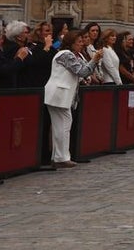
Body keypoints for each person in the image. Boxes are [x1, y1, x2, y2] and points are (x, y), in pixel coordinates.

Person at [43, 29, 103, 168]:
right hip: (59, 94)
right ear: (71, 43)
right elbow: (82, 72)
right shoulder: (65, 55)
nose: (82, 44)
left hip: (60, 94)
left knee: (60, 126)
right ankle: (62, 157)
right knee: (64, 125)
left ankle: (58, 156)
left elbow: (85, 70)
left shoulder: (72, 55)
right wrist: (94, 60)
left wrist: (93, 61)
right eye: (79, 42)